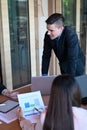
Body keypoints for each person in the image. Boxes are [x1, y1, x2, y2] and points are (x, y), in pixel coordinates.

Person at [17, 74, 87, 130]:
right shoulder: (84, 114)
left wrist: (21, 117)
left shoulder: (45, 118)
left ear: (54, 95)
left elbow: (31, 128)